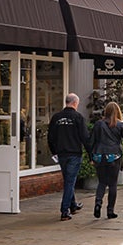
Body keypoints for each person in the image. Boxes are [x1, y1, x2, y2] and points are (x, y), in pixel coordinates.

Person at [88, 101, 123, 220]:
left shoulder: (98, 124)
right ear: (117, 112)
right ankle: (110, 211)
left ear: (106, 111)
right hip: (114, 157)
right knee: (112, 184)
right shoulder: (121, 125)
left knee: (101, 182)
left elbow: (91, 142)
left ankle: (98, 204)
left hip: (100, 157)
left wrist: (91, 158)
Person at [48, 93, 88, 221]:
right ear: (75, 103)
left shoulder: (56, 118)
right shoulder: (78, 118)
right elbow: (85, 137)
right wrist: (92, 154)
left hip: (62, 155)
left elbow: (50, 137)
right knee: (70, 182)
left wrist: (54, 152)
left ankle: (73, 205)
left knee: (68, 181)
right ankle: (64, 211)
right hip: (74, 154)